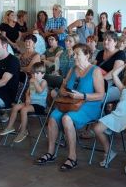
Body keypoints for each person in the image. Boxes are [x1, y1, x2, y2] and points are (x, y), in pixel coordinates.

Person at [34, 43, 105, 171]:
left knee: (67, 118)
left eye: (78, 54)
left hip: (89, 105)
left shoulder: (95, 71)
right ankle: (50, 152)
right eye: (74, 54)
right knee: (53, 117)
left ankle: (72, 157)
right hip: (71, 104)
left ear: (87, 55)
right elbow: (63, 86)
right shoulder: (73, 69)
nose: (74, 57)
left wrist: (82, 96)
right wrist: (62, 92)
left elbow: (101, 95)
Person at [93, 62, 126, 174]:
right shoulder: (123, 88)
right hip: (117, 115)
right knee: (97, 129)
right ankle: (109, 151)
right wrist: (125, 65)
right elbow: (114, 75)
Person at [0, 62, 48, 143]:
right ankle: (10, 127)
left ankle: (23, 131)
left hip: (40, 105)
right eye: (33, 73)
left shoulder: (44, 82)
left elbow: (40, 91)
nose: (35, 75)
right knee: (15, 107)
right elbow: (28, 92)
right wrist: (27, 98)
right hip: (31, 103)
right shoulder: (32, 81)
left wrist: (34, 82)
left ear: (42, 74)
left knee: (24, 110)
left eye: (37, 73)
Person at [96, 32, 126, 102]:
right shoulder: (100, 53)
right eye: (104, 39)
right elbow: (94, 67)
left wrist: (99, 80)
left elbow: (114, 72)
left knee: (96, 98)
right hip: (99, 83)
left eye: (109, 40)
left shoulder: (120, 54)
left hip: (114, 85)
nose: (105, 41)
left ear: (115, 42)